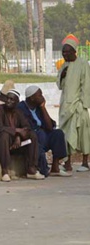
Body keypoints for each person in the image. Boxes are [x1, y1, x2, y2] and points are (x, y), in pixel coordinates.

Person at [0, 89, 44, 182]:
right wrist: (17, 130)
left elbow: (26, 127)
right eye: (7, 98)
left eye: (12, 99)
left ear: (17, 102)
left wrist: (18, 137)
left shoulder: (18, 112)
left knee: (32, 135)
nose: (8, 101)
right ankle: (4, 171)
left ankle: (31, 170)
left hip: (14, 144)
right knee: (4, 135)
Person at [18, 86, 69, 177]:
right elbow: (26, 127)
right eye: (40, 95)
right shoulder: (21, 108)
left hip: (43, 135)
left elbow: (50, 127)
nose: (42, 97)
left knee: (58, 133)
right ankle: (42, 168)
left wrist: (43, 107)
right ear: (32, 98)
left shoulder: (38, 108)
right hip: (31, 138)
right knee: (39, 134)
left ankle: (55, 167)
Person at [57, 34, 90, 172]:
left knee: (83, 133)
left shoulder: (83, 64)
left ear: (74, 52)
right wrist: (62, 76)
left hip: (78, 105)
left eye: (67, 52)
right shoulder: (63, 66)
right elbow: (60, 85)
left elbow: (86, 85)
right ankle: (68, 163)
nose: (65, 54)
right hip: (66, 106)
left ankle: (85, 162)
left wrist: (83, 104)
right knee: (65, 134)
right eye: (63, 52)